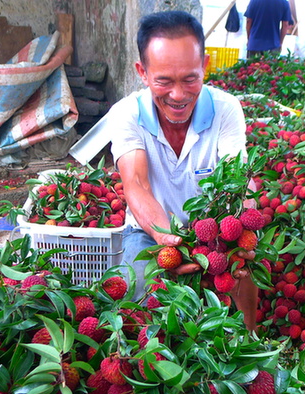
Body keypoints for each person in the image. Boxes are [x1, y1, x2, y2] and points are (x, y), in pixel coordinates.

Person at [109, 10, 259, 330]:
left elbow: (238, 179)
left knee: (244, 273)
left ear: (204, 65)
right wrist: (168, 239)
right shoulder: (125, 114)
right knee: (137, 293)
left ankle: (250, 342)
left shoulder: (225, 109)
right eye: (164, 81)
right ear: (143, 72)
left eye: (190, 78)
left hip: (213, 228)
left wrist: (243, 229)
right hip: (150, 232)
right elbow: (136, 183)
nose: (178, 95)